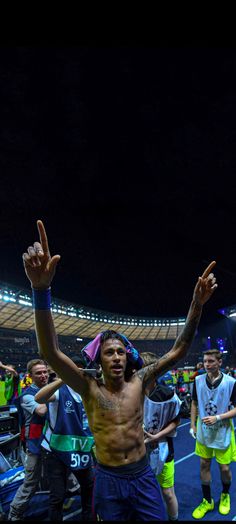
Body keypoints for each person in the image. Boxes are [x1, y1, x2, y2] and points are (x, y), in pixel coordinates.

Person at [22, 219, 217, 521]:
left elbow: (178, 351)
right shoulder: (88, 386)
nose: (116, 357)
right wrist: (40, 290)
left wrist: (196, 304)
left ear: (128, 359)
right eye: (108, 352)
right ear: (99, 360)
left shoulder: (141, 381)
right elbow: (50, 352)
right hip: (108, 479)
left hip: (141, 475)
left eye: (121, 353)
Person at [35, 354, 94, 521]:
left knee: (89, 488)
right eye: (70, 371)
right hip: (55, 450)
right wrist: (64, 379)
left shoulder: (89, 391)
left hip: (81, 448)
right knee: (57, 496)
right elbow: (39, 398)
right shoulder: (60, 391)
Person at [190, 349, 236, 519]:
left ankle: (225, 495)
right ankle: (207, 500)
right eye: (205, 361)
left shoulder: (231, 382)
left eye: (211, 361)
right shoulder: (198, 380)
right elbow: (194, 403)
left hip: (222, 430)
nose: (207, 365)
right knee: (204, 465)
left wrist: (218, 417)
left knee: (224, 468)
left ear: (220, 362)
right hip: (204, 431)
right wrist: (193, 425)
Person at [142, 352, 181, 521]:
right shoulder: (132, 392)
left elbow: (176, 421)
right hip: (139, 452)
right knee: (144, 492)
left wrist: (156, 436)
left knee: (167, 492)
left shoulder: (167, 394)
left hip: (164, 450)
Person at [8, 359, 49, 521]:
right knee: (31, 482)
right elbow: (41, 411)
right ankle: (14, 513)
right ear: (30, 376)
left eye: (45, 371)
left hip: (53, 441)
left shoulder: (51, 388)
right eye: (38, 373)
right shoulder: (27, 396)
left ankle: (73, 493)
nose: (43, 375)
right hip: (35, 444)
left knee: (62, 474)